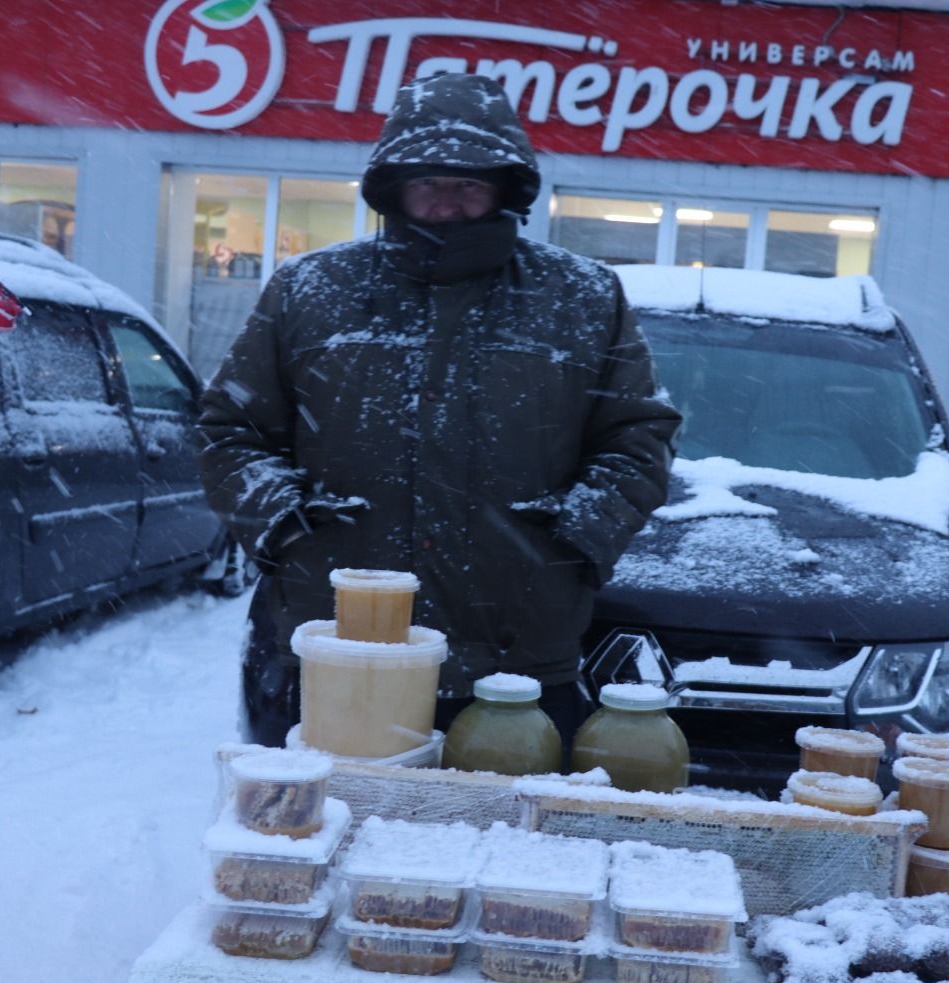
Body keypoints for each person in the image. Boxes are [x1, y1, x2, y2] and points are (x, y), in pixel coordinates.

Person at [198, 72, 680, 754]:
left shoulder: (581, 297)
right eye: (429, 181)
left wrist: (575, 537)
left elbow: (639, 437)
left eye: (468, 183)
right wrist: (286, 528)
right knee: (320, 834)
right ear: (393, 186)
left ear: (504, 187)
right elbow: (230, 429)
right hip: (339, 643)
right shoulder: (310, 290)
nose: (447, 203)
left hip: (516, 661)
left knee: (504, 847)